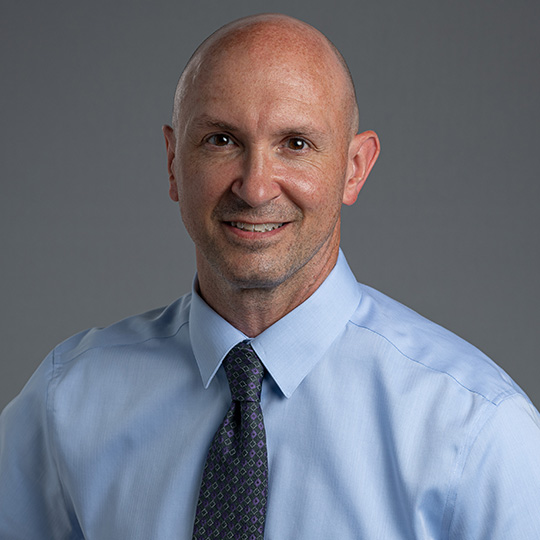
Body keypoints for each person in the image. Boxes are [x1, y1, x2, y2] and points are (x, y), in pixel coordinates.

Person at [1, 13, 539, 540]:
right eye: (220, 140)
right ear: (172, 162)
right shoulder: (65, 403)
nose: (256, 188)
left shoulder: (478, 434)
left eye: (296, 144)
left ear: (355, 167)